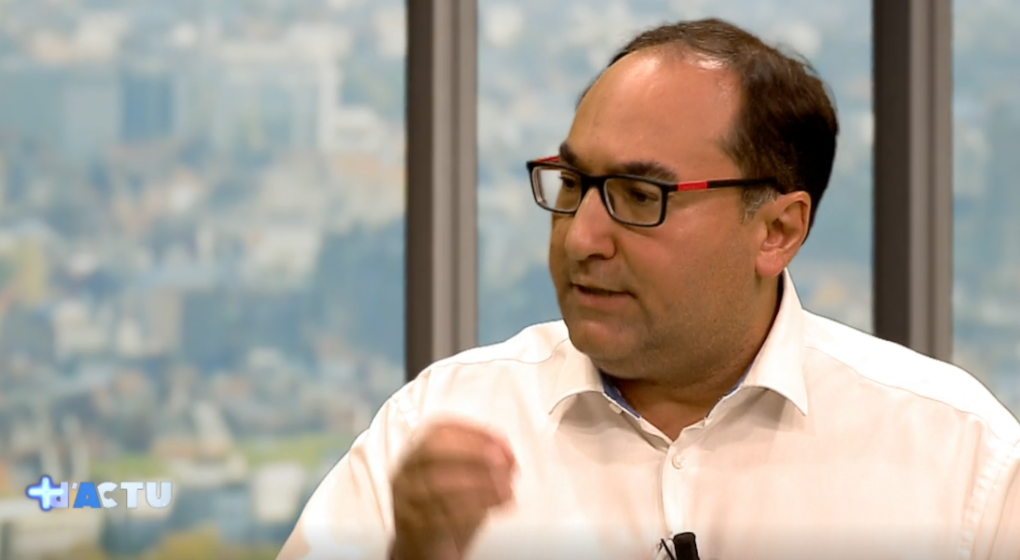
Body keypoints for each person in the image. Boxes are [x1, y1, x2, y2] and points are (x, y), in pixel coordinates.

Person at [277, 18, 1019, 560]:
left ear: (778, 230)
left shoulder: (958, 459)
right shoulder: (436, 425)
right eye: (574, 184)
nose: (582, 237)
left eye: (639, 196)